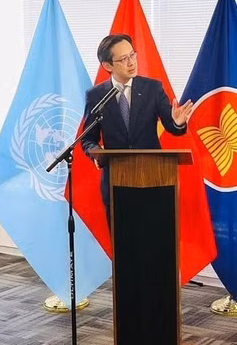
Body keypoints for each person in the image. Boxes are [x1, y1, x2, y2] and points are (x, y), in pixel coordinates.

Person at [81, 34, 192, 221]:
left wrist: (177, 122)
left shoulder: (153, 88)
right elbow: (87, 138)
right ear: (108, 66)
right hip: (116, 182)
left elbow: (172, 126)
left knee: (156, 244)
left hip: (153, 179)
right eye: (124, 59)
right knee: (122, 245)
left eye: (132, 55)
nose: (131, 62)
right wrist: (96, 152)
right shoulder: (96, 95)